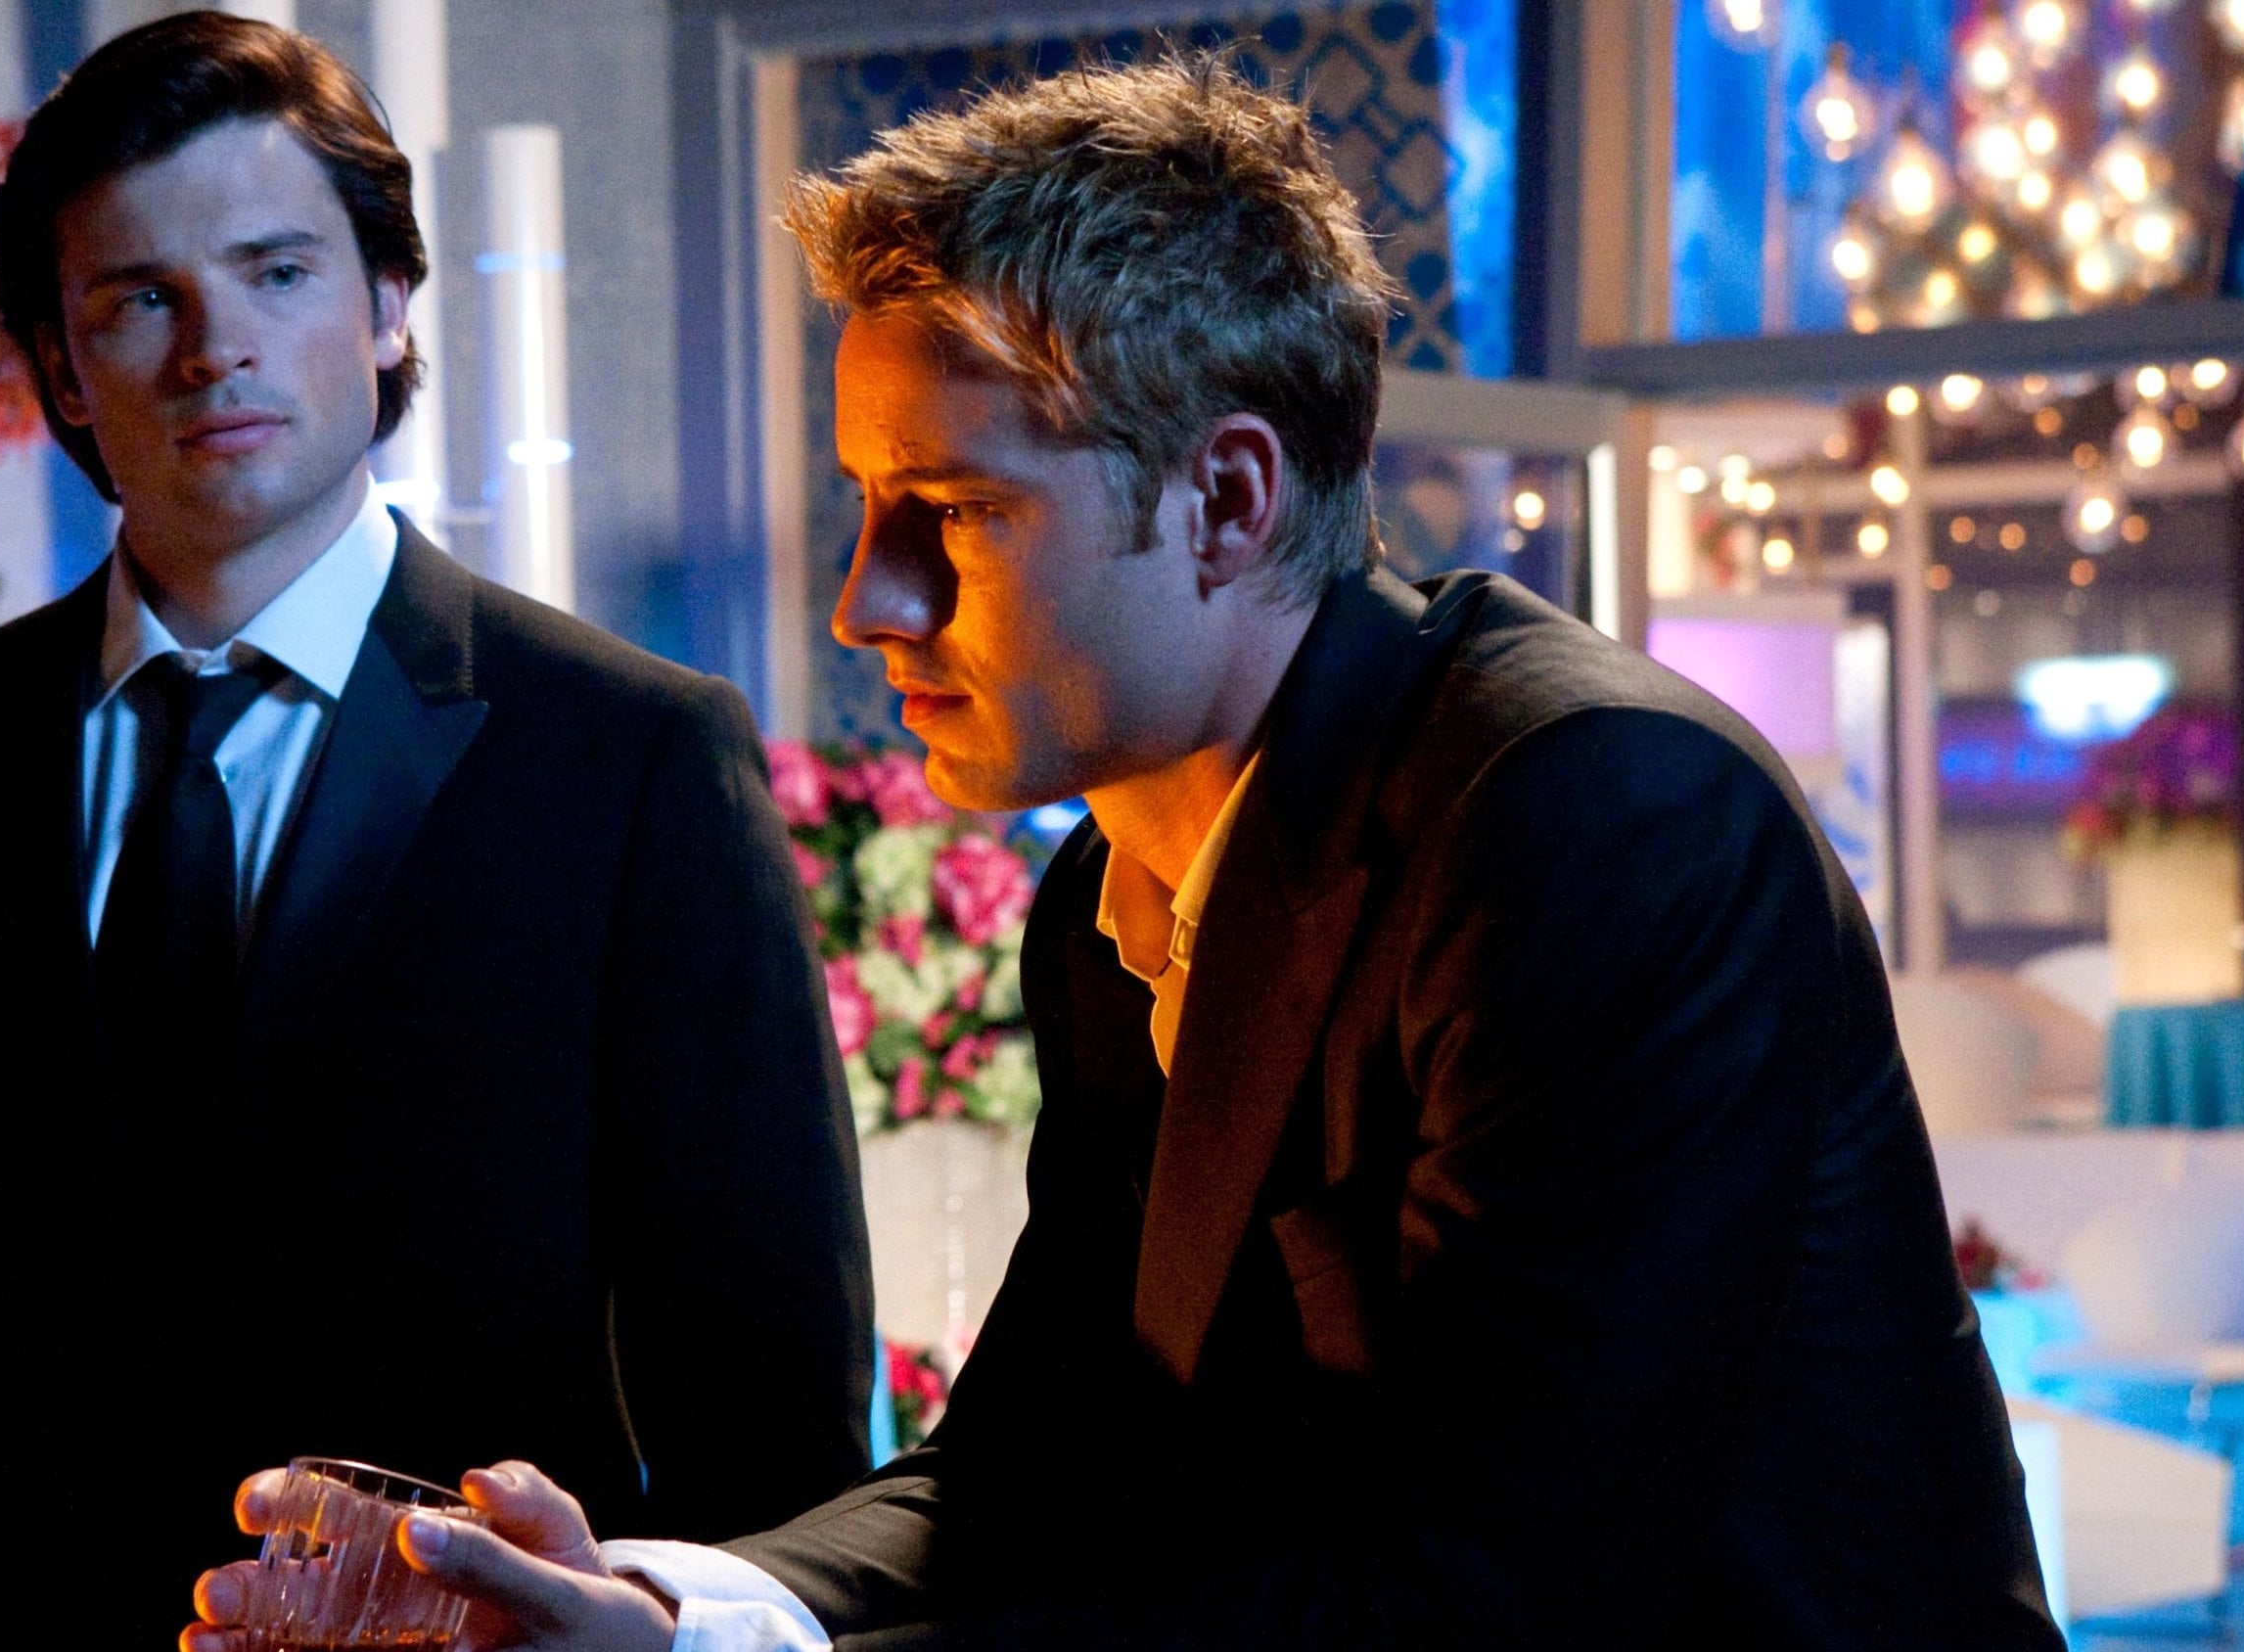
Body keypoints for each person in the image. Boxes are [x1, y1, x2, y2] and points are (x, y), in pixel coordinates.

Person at [187, 55, 2061, 1651]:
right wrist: (667, 1608)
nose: (867, 601)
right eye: (867, 505)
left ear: (1227, 497)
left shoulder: (1594, 819)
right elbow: (1035, 1473)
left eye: (951, 512)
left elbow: (1496, 1589)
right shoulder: (1113, 887)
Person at [0, 14, 872, 1644]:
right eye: (140, 299)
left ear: (388, 305)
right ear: (61, 364)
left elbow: (767, 1380)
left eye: (277, 273)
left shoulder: (629, 756)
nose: (215, 350)